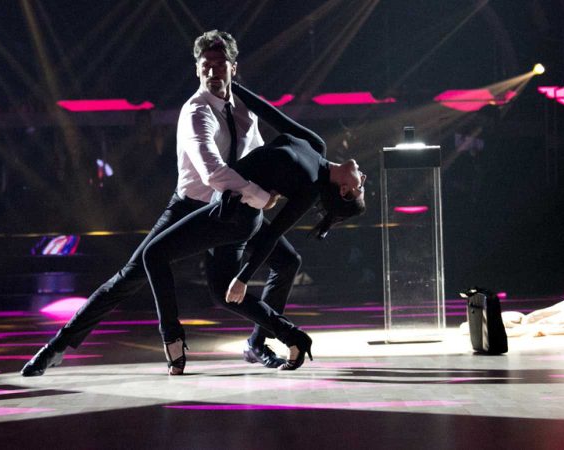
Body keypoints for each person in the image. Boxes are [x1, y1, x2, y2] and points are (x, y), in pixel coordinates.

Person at [21, 30, 301, 376]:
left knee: (286, 261)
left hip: (233, 210)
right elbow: (213, 171)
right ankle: (57, 346)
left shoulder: (245, 108)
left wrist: (273, 188)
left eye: (220, 64)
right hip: (192, 207)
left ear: (234, 67)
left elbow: (258, 154)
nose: (213, 72)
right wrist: (260, 195)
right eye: (206, 65)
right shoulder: (196, 111)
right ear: (197, 70)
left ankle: (257, 343)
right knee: (128, 279)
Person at [142, 80, 366, 374]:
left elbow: (274, 234)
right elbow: (268, 112)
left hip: (236, 219)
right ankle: (290, 337)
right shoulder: (317, 146)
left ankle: (172, 339)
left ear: (345, 190)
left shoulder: (310, 188)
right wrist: (232, 85)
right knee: (225, 288)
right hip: (232, 210)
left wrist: (245, 276)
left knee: (154, 255)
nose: (362, 174)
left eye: (361, 184)